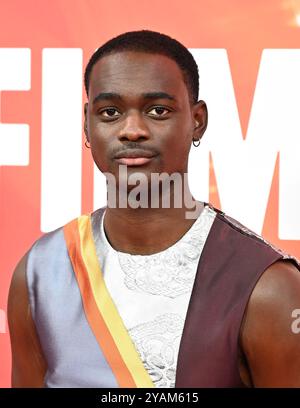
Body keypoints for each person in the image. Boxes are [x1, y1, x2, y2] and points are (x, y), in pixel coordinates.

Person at [8, 30, 300, 388]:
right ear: (87, 123)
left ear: (197, 120)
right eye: (110, 112)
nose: (132, 130)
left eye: (158, 110)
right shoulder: (41, 272)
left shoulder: (267, 287)